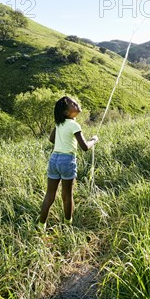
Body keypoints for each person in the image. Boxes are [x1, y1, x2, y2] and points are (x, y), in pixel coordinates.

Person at [38, 96, 98, 231]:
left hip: (54, 159)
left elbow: (51, 139)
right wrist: (94, 140)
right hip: (67, 161)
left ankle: (41, 225)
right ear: (66, 112)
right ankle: (67, 225)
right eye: (73, 103)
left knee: (49, 195)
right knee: (67, 195)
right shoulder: (74, 125)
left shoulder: (59, 124)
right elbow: (85, 147)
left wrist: (63, 140)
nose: (76, 104)